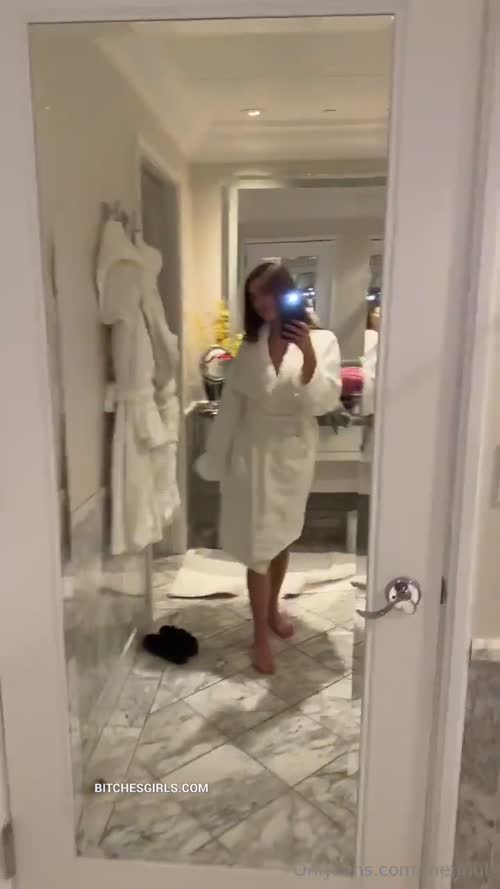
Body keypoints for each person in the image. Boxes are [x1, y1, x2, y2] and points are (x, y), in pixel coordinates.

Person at [195, 263, 341, 674]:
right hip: (252, 454)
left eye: (269, 292)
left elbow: (323, 402)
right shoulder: (250, 346)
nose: (261, 302)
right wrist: (217, 455)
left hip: (293, 454)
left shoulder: (323, 340)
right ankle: (260, 633)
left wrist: (307, 353)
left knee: (280, 538)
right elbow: (232, 408)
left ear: (287, 292)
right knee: (258, 547)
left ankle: (273, 610)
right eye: (254, 295)